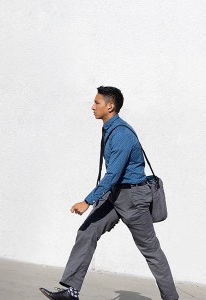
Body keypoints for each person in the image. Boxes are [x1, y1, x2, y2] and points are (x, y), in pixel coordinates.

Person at [40, 86, 178, 300]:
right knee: (87, 232)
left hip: (133, 199)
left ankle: (171, 298)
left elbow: (113, 174)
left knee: (151, 250)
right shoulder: (110, 129)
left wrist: (88, 201)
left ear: (110, 106)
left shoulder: (121, 134)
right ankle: (71, 291)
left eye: (97, 102)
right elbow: (113, 179)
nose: (92, 106)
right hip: (115, 195)